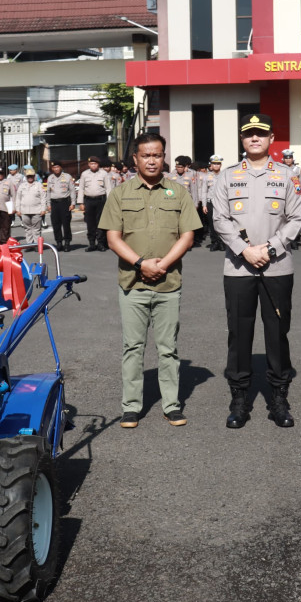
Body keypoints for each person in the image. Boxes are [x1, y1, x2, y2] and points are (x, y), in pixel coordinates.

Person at [211, 114, 301, 429]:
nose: (254, 139)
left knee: (277, 333)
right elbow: (220, 219)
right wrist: (244, 250)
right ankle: (239, 399)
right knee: (239, 334)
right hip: (238, 268)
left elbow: (297, 217)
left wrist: (271, 248)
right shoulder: (227, 176)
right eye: (249, 134)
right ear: (242, 139)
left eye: (260, 134)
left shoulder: (287, 176)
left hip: (277, 267)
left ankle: (279, 397)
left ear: (271, 139)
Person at [101, 134, 202, 428]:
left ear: (164, 157)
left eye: (157, 155)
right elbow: (112, 237)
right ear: (135, 159)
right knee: (133, 346)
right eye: (146, 155)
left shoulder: (178, 192)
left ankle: (171, 405)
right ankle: (131, 406)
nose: (151, 160)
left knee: (167, 347)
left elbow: (188, 235)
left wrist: (163, 264)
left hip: (169, 284)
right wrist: (140, 263)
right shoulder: (120, 194)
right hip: (132, 284)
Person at [78, 157, 112, 251]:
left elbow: (108, 188)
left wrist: (109, 202)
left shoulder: (103, 173)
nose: (93, 165)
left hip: (101, 200)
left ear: (98, 164)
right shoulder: (84, 174)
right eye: (91, 164)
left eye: (95, 164)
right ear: (89, 164)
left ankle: (101, 243)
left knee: (101, 223)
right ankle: (92, 243)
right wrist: (81, 202)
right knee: (90, 223)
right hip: (89, 201)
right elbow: (81, 188)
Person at [14, 165, 48, 244]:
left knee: (36, 229)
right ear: (26, 177)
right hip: (24, 211)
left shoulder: (39, 185)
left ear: (34, 176)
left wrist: (43, 209)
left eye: (31, 176)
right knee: (27, 228)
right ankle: (29, 244)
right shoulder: (22, 186)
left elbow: (43, 198)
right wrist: (18, 209)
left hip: (36, 210)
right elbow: (18, 198)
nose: (30, 177)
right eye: (28, 176)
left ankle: (36, 244)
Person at [46, 161, 75, 250]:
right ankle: (59, 242)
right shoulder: (50, 178)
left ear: (61, 168)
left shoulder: (67, 177)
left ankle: (67, 242)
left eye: (57, 167)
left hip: (64, 202)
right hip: (54, 203)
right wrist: (48, 204)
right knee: (56, 224)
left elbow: (72, 190)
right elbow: (48, 191)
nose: (56, 169)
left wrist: (73, 203)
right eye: (54, 167)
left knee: (66, 223)